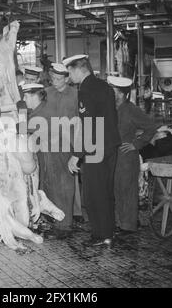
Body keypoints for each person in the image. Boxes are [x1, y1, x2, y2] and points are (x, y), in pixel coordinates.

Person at [64, 54, 121, 247]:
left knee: (94, 193)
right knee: (106, 191)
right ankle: (108, 232)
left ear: (78, 69)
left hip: (96, 149)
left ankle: (101, 235)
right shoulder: (104, 86)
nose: (69, 76)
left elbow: (88, 126)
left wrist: (76, 156)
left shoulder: (86, 89)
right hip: (111, 146)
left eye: (69, 72)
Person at [32, 63, 79, 239]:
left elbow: (82, 120)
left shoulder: (75, 95)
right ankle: (53, 221)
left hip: (66, 147)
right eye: (53, 79)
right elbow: (36, 112)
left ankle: (65, 225)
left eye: (60, 79)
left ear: (67, 78)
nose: (56, 82)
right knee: (48, 184)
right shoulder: (46, 93)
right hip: (46, 145)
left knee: (65, 186)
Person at [108, 76, 157, 235]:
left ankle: (128, 226)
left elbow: (151, 127)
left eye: (112, 90)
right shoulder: (110, 108)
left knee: (127, 191)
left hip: (127, 157)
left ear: (121, 94)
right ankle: (121, 221)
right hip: (113, 156)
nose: (110, 93)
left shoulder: (132, 110)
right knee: (116, 190)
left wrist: (136, 144)